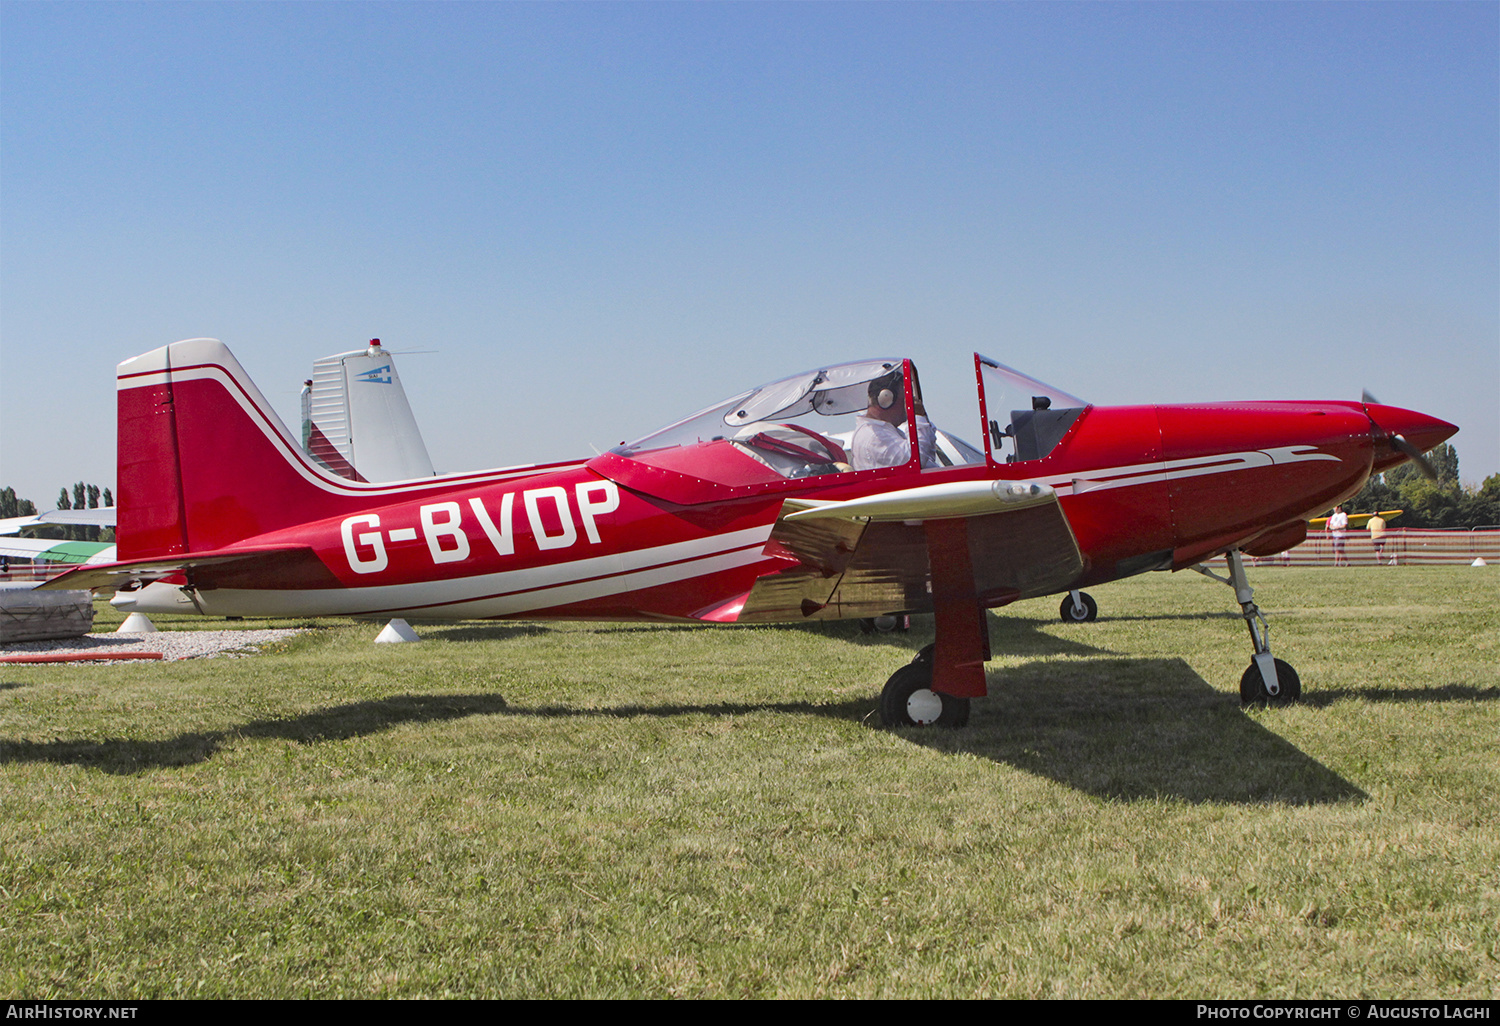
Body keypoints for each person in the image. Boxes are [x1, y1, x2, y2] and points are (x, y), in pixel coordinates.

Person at [850, 369, 937, 470]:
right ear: (886, 399)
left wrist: (922, 417)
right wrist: (917, 417)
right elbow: (916, 459)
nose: (907, 405)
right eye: (905, 399)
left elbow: (928, 457)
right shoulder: (874, 436)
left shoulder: (883, 430)